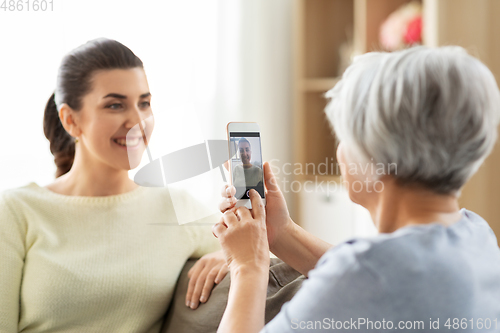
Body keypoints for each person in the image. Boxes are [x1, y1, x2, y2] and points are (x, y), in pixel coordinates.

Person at [215, 46, 500, 333]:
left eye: (344, 136)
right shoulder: (478, 235)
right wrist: (282, 233)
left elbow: (366, 278)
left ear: (374, 153)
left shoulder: (362, 276)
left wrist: (247, 266)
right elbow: (387, 279)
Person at [0, 38, 228, 333]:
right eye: (115, 105)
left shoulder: (174, 207)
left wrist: (227, 256)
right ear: (70, 120)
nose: (137, 120)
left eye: (144, 103)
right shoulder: (17, 211)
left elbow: (265, 254)